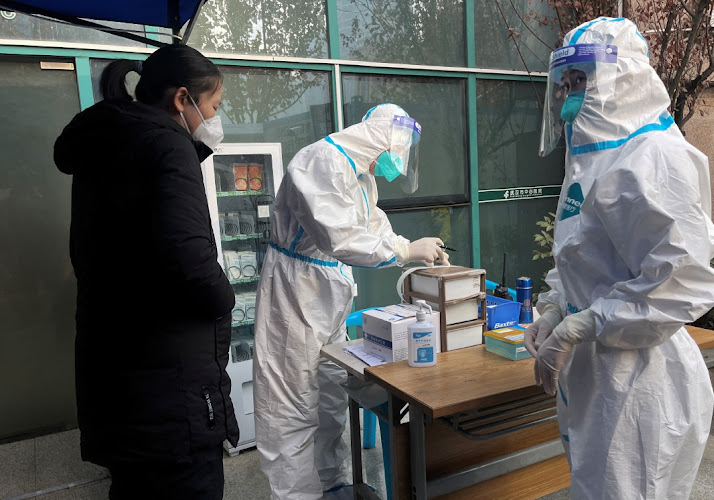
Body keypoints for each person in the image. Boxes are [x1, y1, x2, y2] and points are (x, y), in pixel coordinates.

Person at [525, 17, 714, 499]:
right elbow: (580, 257)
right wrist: (556, 307)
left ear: (624, 79)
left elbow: (681, 281)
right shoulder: (593, 161)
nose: (570, 94)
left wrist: (580, 325)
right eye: (566, 83)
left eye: (582, 79)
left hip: (640, 376)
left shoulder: (653, 156)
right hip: (598, 370)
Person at [54, 44, 238, 500]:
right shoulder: (166, 146)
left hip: (119, 379)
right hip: (171, 394)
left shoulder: (109, 144)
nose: (214, 119)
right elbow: (191, 264)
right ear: (182, 99)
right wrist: (225, 297)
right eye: (213, 106)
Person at [253, 103, 448, 499]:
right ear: (383, 141)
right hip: (296, 296)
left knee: (328, 393)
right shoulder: (319, 161)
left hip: (328, 295)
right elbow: (341, 238)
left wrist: (413, 253)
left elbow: (372, 225)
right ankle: (298, 495)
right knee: (292, 406)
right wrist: (407, 250)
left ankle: (334, 482)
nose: (396, 164)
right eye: (397, 154)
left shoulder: (361, 175)